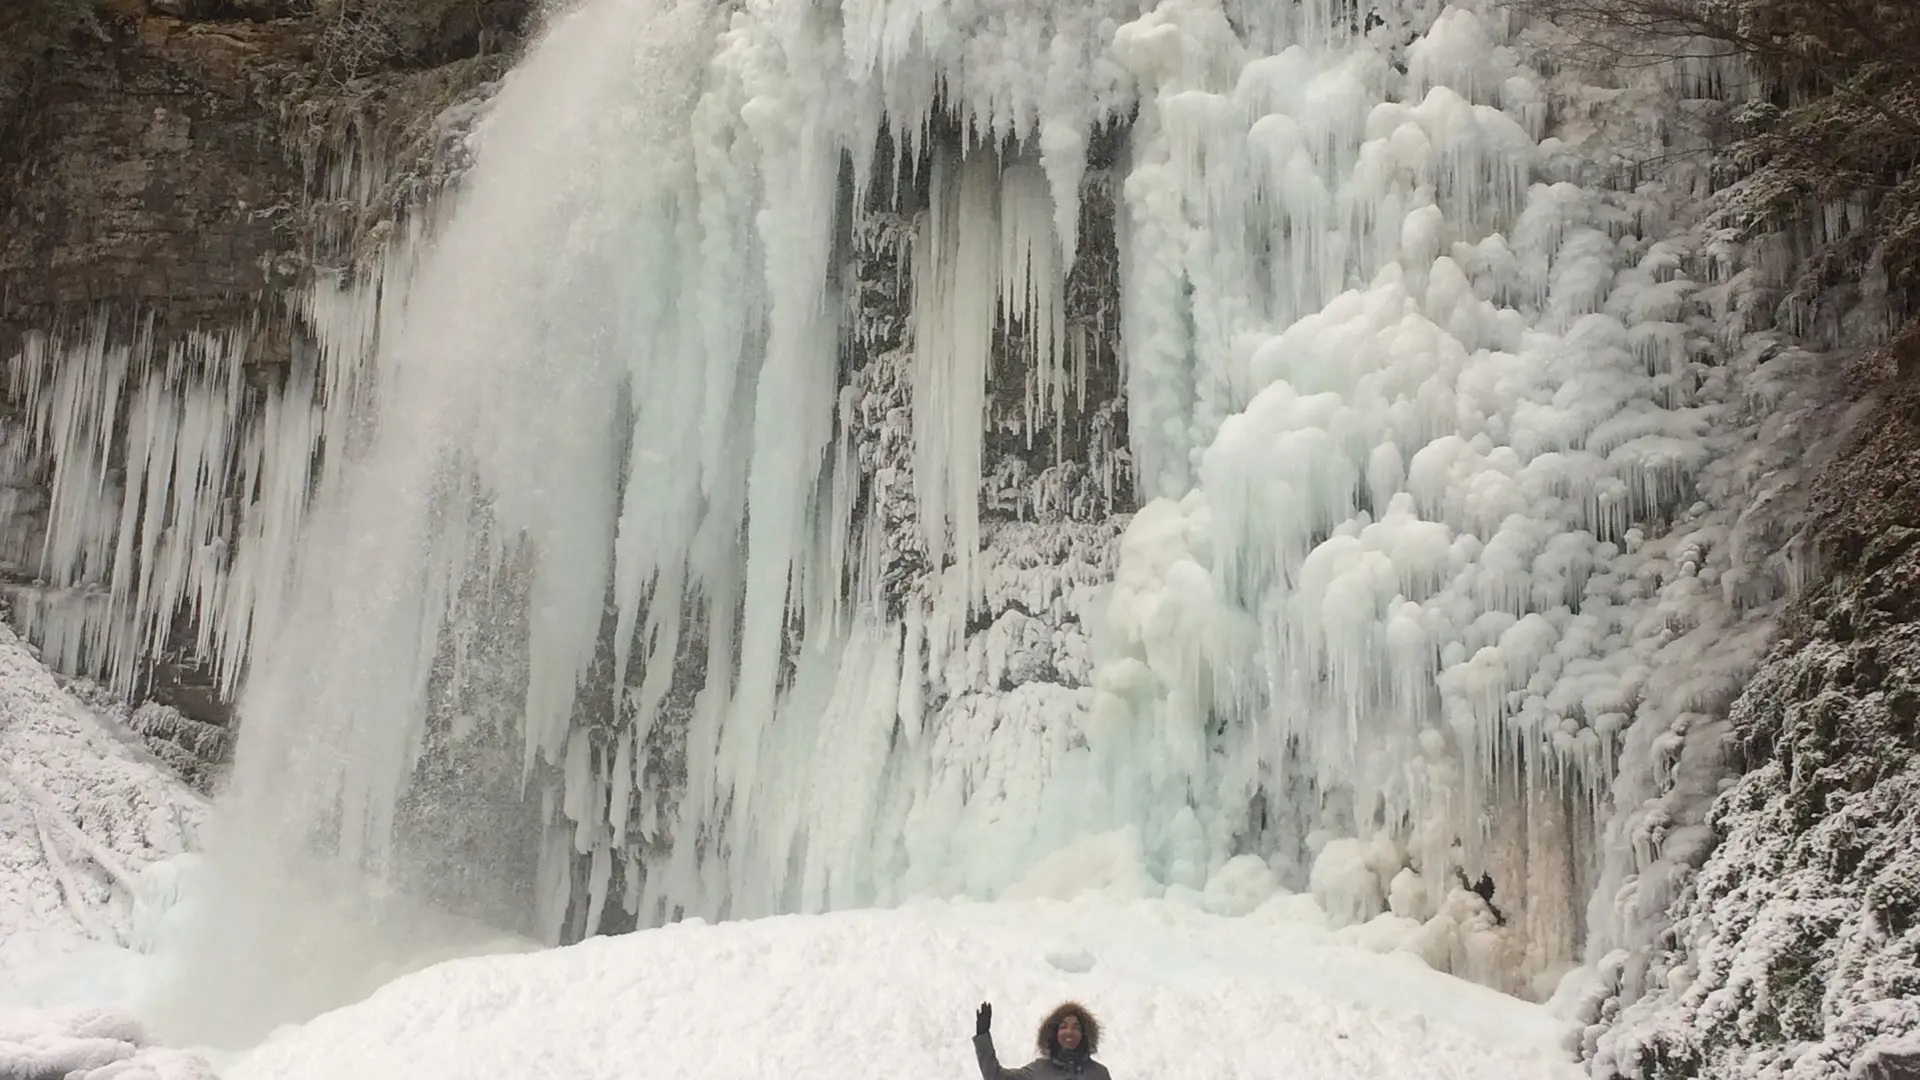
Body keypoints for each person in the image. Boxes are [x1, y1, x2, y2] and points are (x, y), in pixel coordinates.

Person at [973, 1000, 1112, 1079]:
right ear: (1054, 1033)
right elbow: (996, 1077)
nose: (1069, 1031)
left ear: (1084, 1035)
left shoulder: (1099, 1074)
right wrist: (983, 1037)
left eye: (1076, 1027)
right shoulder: (1038, 1071)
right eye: (1063, 1027)